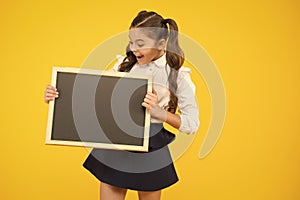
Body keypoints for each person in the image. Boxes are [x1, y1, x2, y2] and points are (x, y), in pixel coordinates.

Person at [44, 10, 199, 200]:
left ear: (161, 43)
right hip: (116, 143)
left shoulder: (178, 75)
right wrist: (59, 96)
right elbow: (94, 98)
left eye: (140, 44)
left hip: (151, 147)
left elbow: (192, 123)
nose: (133, 48)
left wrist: (160, 113)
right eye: (131, 41)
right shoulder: (124, 66)